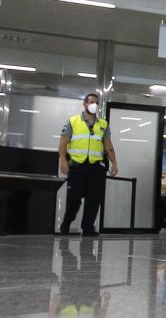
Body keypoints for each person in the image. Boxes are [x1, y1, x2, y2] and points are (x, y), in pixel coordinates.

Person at [58, 93, 118, 236]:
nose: (94, 105)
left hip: (95, 167)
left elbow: (108, 145)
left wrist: (114, 163)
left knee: (94, 199)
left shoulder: (103, 124)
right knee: (74, 198)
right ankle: (66, 224)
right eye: (91, 102)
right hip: (77, 166)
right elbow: (63, 143)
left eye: (96, 103)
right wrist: (63, 160)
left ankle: (88, 228)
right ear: (84, 104)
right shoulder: (73, 121)